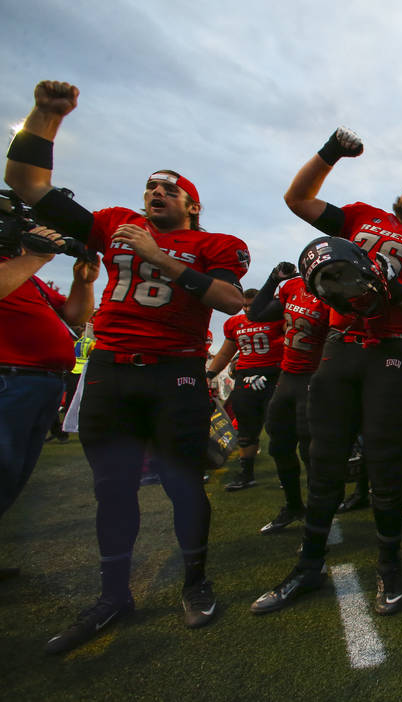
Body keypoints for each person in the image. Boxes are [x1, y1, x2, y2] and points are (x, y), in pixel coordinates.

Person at [5, 81, 249, 654]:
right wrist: (46, 117)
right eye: (149, 186)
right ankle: (114, 593)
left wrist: (159, 257)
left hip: (176, 373)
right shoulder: (114, 222)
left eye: (169, 188)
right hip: (113, 369)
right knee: (111, 489)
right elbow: (28, 183)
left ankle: (195, 580)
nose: (154, 192)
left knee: (183, 484)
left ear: (191, 203)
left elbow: (231, 300)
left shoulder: (216, 241)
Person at [250, 127, 402, 617]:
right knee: (324, 459)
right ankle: (308, 564)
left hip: (392, 351)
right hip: (341, 347)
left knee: (385, 461)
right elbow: (298, 198)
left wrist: (399, 293)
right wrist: (332, 152)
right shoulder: (361, 216)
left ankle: (389, 565)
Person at [0, 210, 98, 580]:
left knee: (13, 475)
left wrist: (84, 282)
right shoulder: (20, 268)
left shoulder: (32, 281)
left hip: (38, 384)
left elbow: (75, 316)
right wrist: (38, 255)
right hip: (9, 378)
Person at [245, 262, 328, 534]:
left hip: (314, 378)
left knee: (310, 451)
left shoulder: (334, 294)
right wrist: (272, 280)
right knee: (279, 445)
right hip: (288, 376)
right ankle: (294, 506)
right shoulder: (293, 287)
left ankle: (318, 518)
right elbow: (256, 314)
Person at [206, 288, 285, 491]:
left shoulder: (277, 319)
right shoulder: (234, 323)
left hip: (274, 376)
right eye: (246, 305)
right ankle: (246, 474)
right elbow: (225, 353)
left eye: (252, 304)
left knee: (279, 429)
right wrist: (209, 375)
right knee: (246, 431)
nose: (249, 309)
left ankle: (286, 472)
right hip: (245, 378)